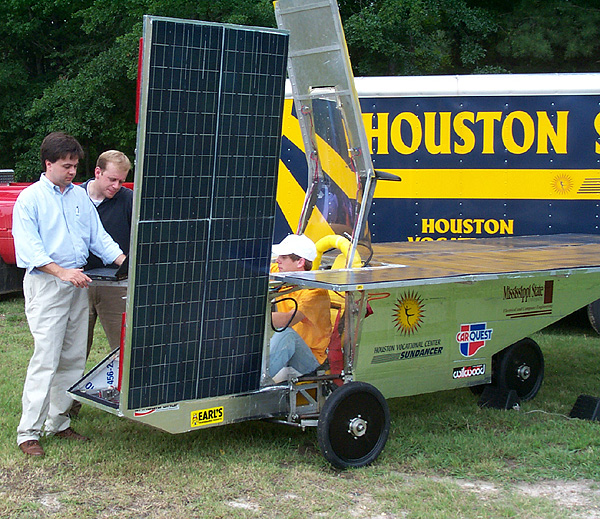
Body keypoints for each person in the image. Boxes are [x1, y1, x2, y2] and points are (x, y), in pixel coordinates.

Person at [12, 132, 126, 457]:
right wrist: (62, 272)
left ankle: (58, 423)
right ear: (48, 164)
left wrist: (124, 262)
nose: (72, 171)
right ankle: (28, 433)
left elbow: (98, 238)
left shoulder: (78, 198)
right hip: (48, 284)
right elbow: (29, 250)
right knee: (45, 359)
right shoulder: (30, 199)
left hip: (78, 283)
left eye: (75, 165)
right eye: (66, 166)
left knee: (74, 358)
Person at [68, 151, 133, 418]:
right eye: (112, 180)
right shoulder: (74, 198)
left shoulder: (129, 200)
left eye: (121, 181)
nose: (116, 187)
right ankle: (67, 404)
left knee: (123, 347)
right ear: (97, 172)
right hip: (78, 282)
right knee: (73, 347)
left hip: (115, 286)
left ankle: (127, 398)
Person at [269, 234, 332, 382]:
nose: (277, 260)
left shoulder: (314, 291)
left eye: (283, 257)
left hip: (310, 359)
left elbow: (286, 321)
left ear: (300, 262)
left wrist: (249, 314)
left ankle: (250, 385)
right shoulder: (280, 271)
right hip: (286, 349)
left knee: (286, 334)